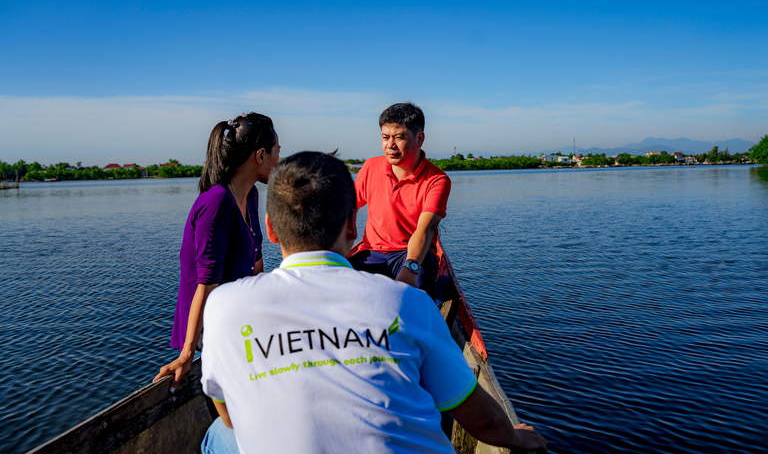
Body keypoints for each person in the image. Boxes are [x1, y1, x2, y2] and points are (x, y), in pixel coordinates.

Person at [199, 151, 547, 454]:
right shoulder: (407, 303)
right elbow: (484, 422)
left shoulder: (222, 306)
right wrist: (516, 439)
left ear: (271, 229)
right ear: (352, 225)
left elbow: (229, 413)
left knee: (218, 435)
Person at [154, 112, 279, 391]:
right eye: (277, 153)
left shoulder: (251, 195)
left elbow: (256, 266)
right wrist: (187, 354)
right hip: (209, 320)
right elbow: (206, 282)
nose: (278, 162)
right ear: (260, 155)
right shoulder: (216, 203)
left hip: (236, 309)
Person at [349, 102, 448, 299]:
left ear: (419, 138)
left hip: (409, 253)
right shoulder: (370, 167)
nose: (390, 145)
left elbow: (425, 229)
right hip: (371, 252)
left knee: (417, 295)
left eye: (399, 138)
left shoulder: (437, 180)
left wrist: (409, 270)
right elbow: (347, 208)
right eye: (385, 137)